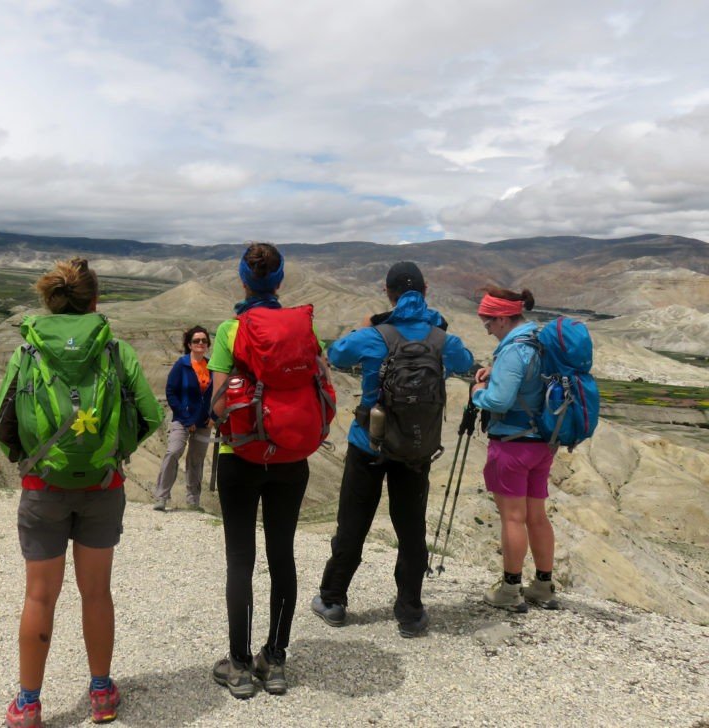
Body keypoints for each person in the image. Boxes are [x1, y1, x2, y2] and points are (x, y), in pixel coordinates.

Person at [0, 259, 162, 728]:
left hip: (42, 488)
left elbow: (0, 422)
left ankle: (28, 705)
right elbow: (150, 416)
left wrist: (31, 460)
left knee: (39, 597)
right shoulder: (116, 351)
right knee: (96, 593)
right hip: (102, 487)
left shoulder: (28, 351)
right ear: (95, 301)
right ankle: (102, 694)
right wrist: (114, 453)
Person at [310, 262, 473, 637]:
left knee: (353, 524)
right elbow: (463, 362)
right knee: (411, 529)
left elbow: (335, 355)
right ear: (426, 290)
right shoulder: (441, 338)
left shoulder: (375, 335)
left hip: (368, 443)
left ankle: (333, 600)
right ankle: (411, 613)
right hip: (416, 449)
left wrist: (370, 326)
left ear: (388, 292)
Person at [208, 242, 319, 699]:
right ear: (279, 282)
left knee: (241, 559)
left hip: (240, 458)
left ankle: (237, 665)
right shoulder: (304, 328)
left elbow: (216, 405)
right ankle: (274, 661)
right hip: (291, 460)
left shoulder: (229, 331)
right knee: (282, 557)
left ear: (242, 280)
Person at [470, 286, 560, 612]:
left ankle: (510, 590)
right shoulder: (539, 341)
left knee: (512, 518)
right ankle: (544, 586)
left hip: (512, 445)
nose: (489, 330)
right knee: (536, 516)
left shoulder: (512, 351)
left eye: (489, 323)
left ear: (505, 318)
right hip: (542, 444)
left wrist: (478, 391)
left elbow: (499, 401)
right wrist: (496, 375)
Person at [153, 326, 212, 511]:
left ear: (208, 344)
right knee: (173, 452)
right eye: (196, 341)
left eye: (203, 340)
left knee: (196, 460)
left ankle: (193, 502)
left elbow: (218, 394)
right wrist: (186, 420)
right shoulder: (182, 365)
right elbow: (171, 392)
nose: (200, 343)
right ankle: (161, 497)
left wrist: (214, 417)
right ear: (189, 344)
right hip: (182, 419)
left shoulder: (211, 366)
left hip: (204, 422)